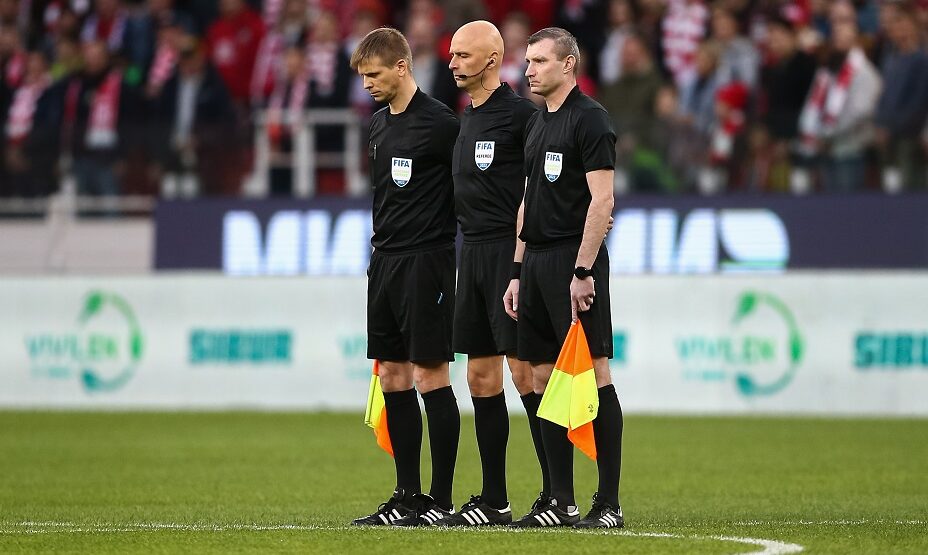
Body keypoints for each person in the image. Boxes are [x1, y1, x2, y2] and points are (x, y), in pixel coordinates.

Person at [503, 27, 624, 529]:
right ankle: (560, 501)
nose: (528, 70)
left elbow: (602, 200)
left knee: (594, 373)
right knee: (540, 376)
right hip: (535, 263)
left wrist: (583, 270)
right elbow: (527, 202)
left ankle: (609, 504)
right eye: (528, 61)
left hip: (573, 262)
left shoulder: (590, 118)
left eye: (539, 61)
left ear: (568, 64)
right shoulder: (537, 123)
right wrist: (516, 271)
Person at [348, 27, 461, 527]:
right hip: (385, 261)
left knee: (429, 375)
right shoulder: (376, 125)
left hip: (427, 260)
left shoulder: (441, 123)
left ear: (401, 66)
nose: (367, 84)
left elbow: (468, 187)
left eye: (373, 74)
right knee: (392, 375)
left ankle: (441, 499)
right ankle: (406, 496)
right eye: (362, 77)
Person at [431, 20, 540, 527]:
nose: (453, 63)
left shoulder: (522, 116)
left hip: (507, 253)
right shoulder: (467, 117)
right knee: (479, 375)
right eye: (452, 55)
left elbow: (540, 188)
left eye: (463, 55)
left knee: (524, 372)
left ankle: (556, 493)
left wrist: (522, 260)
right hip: (470, 253)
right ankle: (495, 500)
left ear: (492, 60)